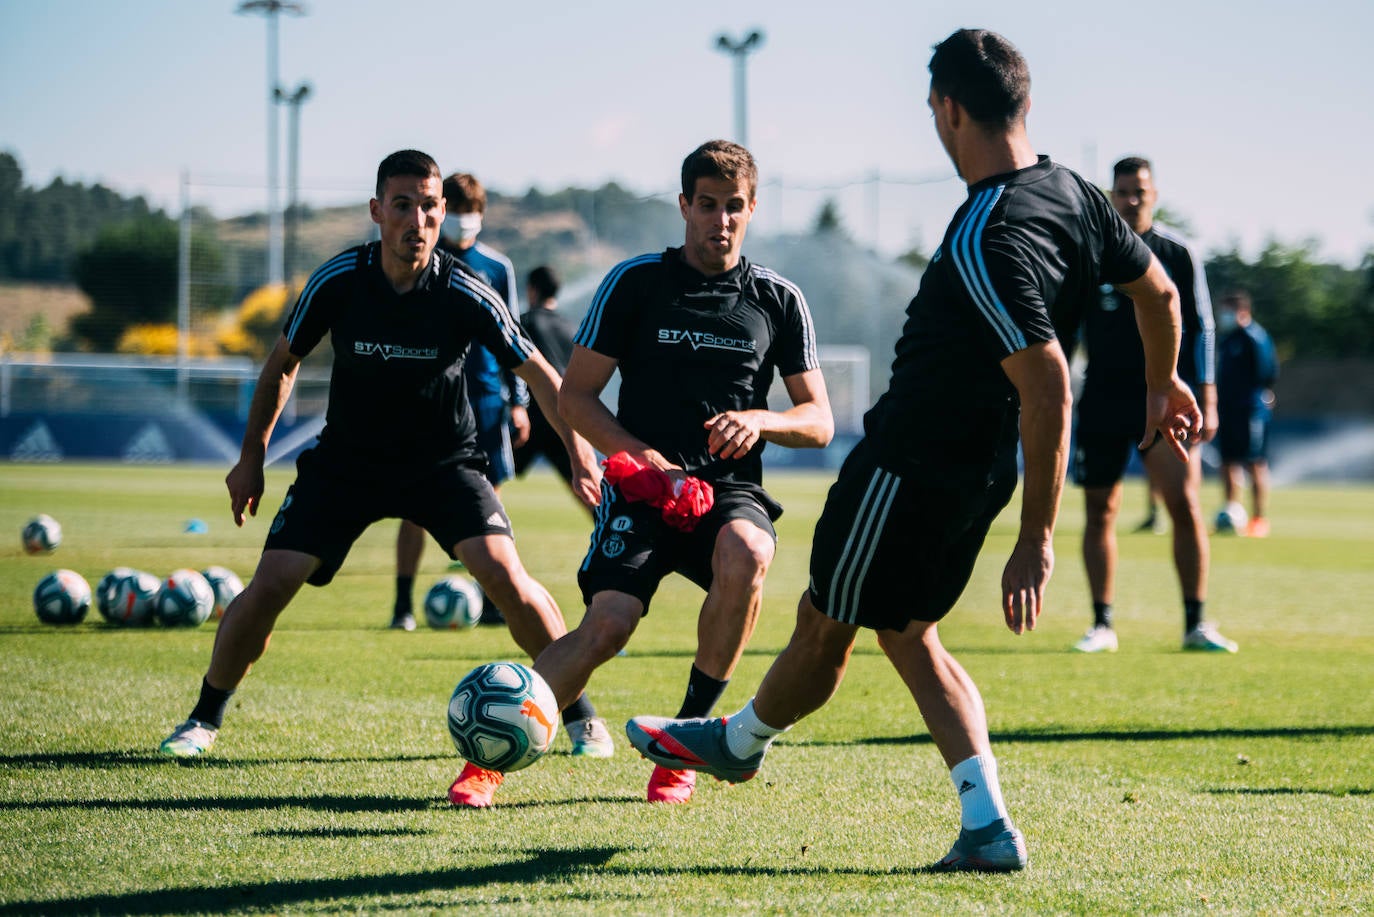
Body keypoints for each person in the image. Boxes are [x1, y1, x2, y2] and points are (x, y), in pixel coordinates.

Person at [624, 29, 1203, 872]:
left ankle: (739, 741)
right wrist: (1165, 380)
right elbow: (1158, 290)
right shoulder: (1077, 194)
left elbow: (1049, 386)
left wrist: (1038, 539)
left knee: (827, 625)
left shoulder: (985, 234)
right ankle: (986, 823)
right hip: (979, 469)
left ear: (948, 108)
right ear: (1026, 103)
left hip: (908, 467)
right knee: (908, 633)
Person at [158, 150, 615, 762]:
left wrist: (580, 454)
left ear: (443, 212)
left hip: (446, 464)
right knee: (269, 586)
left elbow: (541, 376)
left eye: (429, 206)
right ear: (377, 211)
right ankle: (203, 718)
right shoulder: (339, 279)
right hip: (347, 464)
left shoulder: (464, 289)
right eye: (403, 205)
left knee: (507, 578)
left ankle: (581, 717)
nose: (417, 220)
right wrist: (251, 459)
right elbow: (279, 369)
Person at [448, 139, 834, 809]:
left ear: (751, 210)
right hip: (643, 488)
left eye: (734, 207)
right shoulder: (635, 283)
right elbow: (574, 396)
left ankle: (685, 741)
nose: (720, 221)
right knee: (609, 625)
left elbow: (818, 419)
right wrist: (640, 455)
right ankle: (493, 756)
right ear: (683, 205)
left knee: (748, 551)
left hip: (728, 490)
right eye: (707, 205)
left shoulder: (777, 298)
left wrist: (761, 420)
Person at [1071, 156, 1236, 654]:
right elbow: (1063, 326)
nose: (1132, 199)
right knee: (1100, 509)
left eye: (1140, 191)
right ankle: (1102, 623)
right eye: (1122, 192)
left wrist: (1205, 390)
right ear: (1112, 196)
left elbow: (1202, 325)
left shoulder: (1178, 252)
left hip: (1163, 398)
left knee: (1183, 505)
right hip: (1101, 398)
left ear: (1154, 195)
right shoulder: (1092, 253)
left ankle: (1195, 623)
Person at [391, 171, 528, 631]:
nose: (464, 222)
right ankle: (402, 604)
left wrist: (519, 401)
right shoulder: (421, 260)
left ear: (482, 217)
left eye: (473, 213)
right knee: (414, 505)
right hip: (427, 401)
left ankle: (493, 602)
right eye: (458, 211)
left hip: (487, 399)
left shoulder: (497, 267)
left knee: (489, 501)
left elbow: (515, 337)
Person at [512, 265, 582, 494]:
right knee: (585, 484)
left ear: (532, 289)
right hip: (564, 419)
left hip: (532, 416)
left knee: (487, 477)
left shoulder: (526, 322)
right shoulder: (571, 328)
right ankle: (613, 527)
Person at [1215, 289, 1278, 537]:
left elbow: (1267, 374)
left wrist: (1260, 397)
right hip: (1226, 409)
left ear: (1242, 311)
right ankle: (1232, 512)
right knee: (1228, 462)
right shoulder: (1228, 339)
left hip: (1251, 411)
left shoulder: (1256, 337)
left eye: (1228, 311)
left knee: (1254, 463)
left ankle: (1258, 518)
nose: (1224, 316)